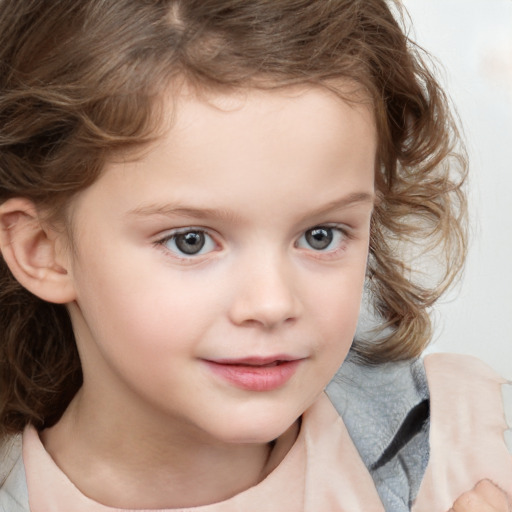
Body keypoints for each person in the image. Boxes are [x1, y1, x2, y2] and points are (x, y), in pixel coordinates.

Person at [0, 1, 510, 511]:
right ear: (44, 251)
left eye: (320, 235)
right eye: (190, 241)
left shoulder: (463, 454)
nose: (271, 304)